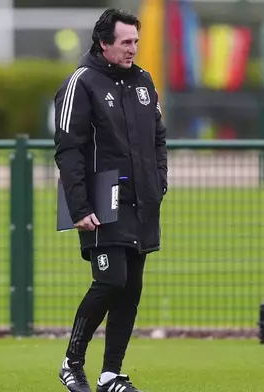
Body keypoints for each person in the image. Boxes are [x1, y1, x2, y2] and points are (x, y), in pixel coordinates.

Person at [52, 8, 168, 392]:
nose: (133, 48)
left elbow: (158, 139)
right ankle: (72, 363)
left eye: (136, 41)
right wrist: (79, 206)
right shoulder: (81, 83)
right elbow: (69, 150)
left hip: (142, 204)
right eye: (126, 42)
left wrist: (159, 183)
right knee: (110, 280)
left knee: (130, 289)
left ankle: (110, 375)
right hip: (104, 202)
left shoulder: (144, 82)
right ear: (104, 44)